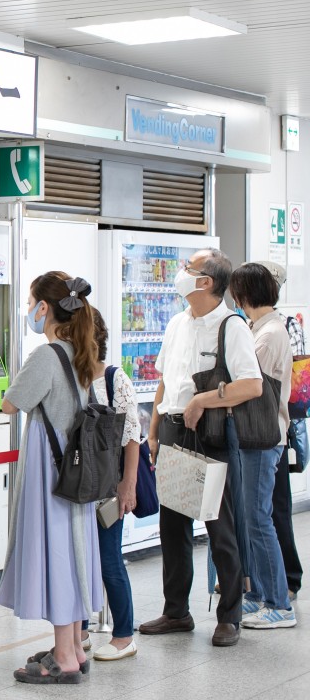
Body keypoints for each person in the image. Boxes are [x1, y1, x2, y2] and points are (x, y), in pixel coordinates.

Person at [138, 248, 259, 648]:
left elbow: (251, 384)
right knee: (173, 525)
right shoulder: (176, 323)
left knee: (218, 525)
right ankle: (177, 611)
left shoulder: (231, 326)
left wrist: (203, 400)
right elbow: (164, 381)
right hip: (173, 430)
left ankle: (230, 615)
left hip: (210, 433)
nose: (181, 273)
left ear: (206, 282)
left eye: (188, 268)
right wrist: (153, 432)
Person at [0, 271, 102, 684]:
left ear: (45, 308)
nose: (28, 311)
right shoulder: (80, 352)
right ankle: (74, 645)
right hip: (75, 468)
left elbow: (11, 404)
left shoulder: (47, 355)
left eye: (30, 303)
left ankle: (64, 655)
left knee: (57, 553)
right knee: (74, 551)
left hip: (51, 471)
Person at [229, 262, 296, 629]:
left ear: (244, 294)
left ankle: (279, 604)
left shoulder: (268, 334)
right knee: (252, 518)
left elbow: (247, 384)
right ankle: (258, 595)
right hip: (255, 436)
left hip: (262, 436)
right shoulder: (261, 328)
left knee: (258, 520)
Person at [86, 308, 144, 661]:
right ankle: (78, 631)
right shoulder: (70, 377)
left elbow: (131, 436)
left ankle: (124, 635)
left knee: (108, 559)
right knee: (79, 559)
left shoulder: (113, 378)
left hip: (108, 487)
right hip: (78, 486)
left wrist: (128, 486)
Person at [257, 260, 304, 600]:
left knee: (278, 506)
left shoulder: (283, 325)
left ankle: (289, 576)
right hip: (261, 428)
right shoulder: (251, 323)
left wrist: (289, 425)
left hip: (275, 427)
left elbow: (300, 388)